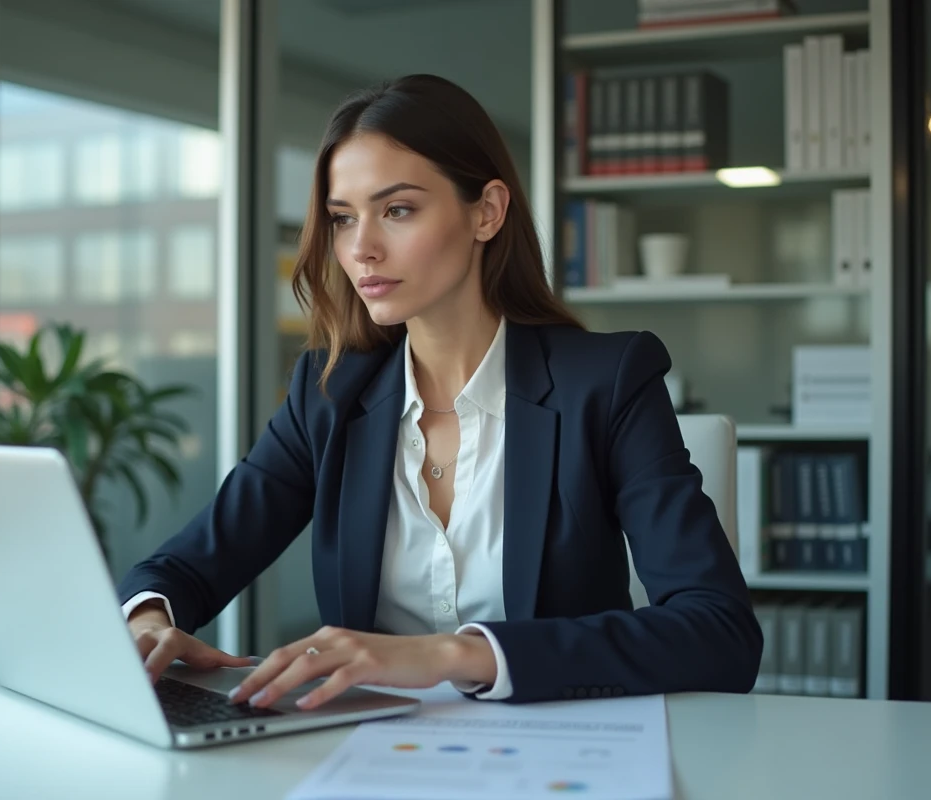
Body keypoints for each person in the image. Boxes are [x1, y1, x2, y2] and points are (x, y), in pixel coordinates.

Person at [118, 73, 761, 710]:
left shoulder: (608, 381)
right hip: (367, 754)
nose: (362, 248)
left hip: (562, 754)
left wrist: (452, 653)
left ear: (487, 212)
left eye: (397, 210)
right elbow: (187, 566)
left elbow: (719, 630)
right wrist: (147, 620)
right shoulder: (329, 395)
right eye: (344, 219)